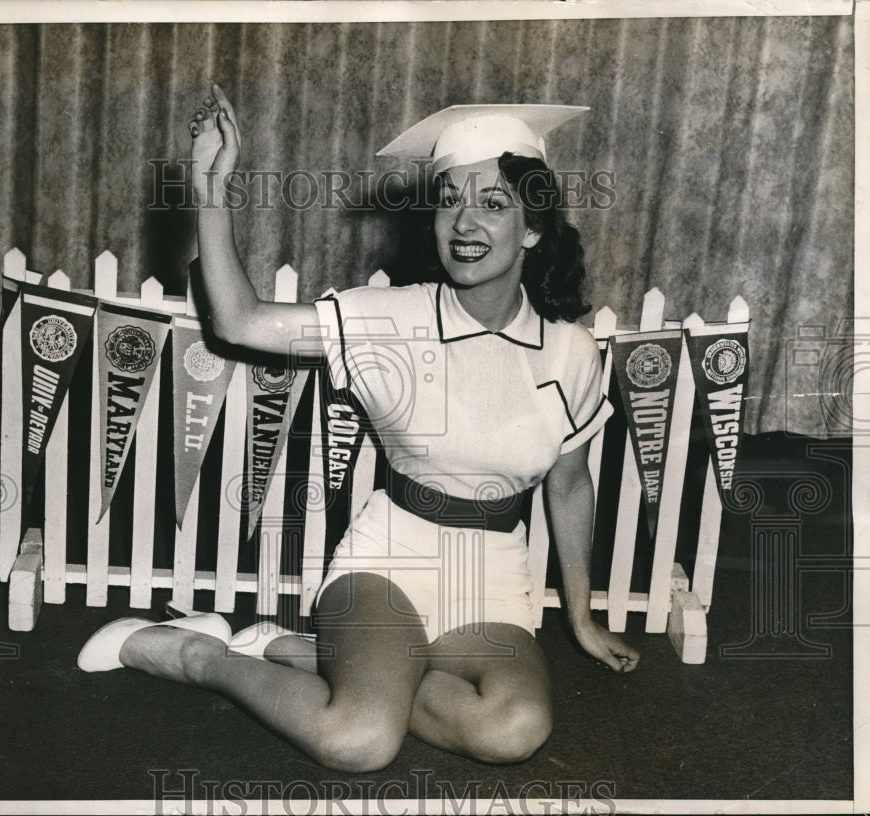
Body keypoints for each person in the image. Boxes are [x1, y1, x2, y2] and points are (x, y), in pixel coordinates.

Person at [79, 84, 639, 772]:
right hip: (390, 561)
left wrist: (580, 617)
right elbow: (240, 321)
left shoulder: (572, 352)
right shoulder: (390, 317)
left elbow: (571, 485)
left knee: (515, 728)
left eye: (493, 205)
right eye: (449, 201)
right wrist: (210, 186)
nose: (465, 223)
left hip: (491, 577)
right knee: (359, 740)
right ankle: (196, 654)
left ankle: (308, 655)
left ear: (532, 227)